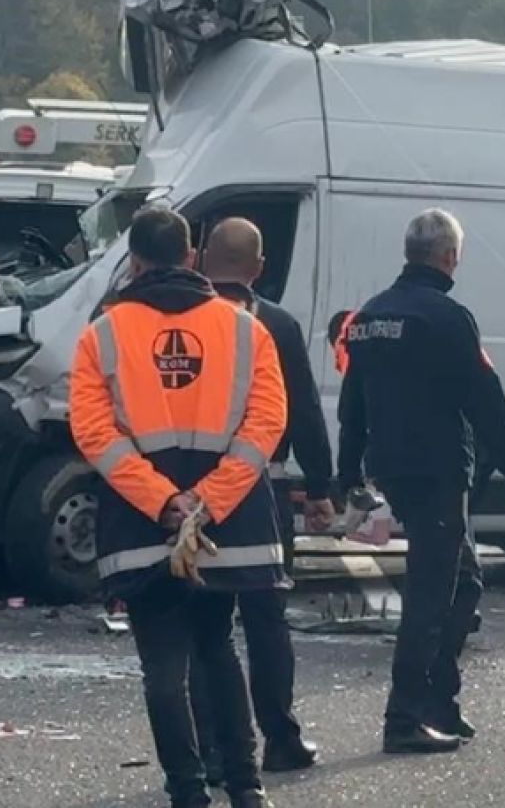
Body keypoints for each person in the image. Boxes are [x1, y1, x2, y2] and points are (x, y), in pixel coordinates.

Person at [69, 207, 287, 808]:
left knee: (164, 667)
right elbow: (266, 423)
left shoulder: (102, 334)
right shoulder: (246, 329)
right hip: (226, 527)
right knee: (218, 648)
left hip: (142, 526)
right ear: (192, 258)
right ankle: (246, 787)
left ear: (134, 263)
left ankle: (188, 792)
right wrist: (207, 502)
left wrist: (164, 501)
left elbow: (94, 432)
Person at [337, 207, 505, 756]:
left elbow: (353, 405)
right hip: (438, 471)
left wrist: (347, 473)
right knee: (432, 594)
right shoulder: (448, 317)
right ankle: (404, 716)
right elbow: (485, 399)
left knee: (463, 581)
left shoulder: (369, 316)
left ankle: (438, 701)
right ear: (450, 256)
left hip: (393, 467)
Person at [188, 217, 329, 778]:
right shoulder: (275, 324)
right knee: (267, 619)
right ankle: (279, 737)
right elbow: (303, 410)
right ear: (260, 267)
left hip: (195, 492)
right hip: (262, 487)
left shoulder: (184, 322)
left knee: (206, 628)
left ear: (202, 260)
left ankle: (214, 750)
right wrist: (320, 486)